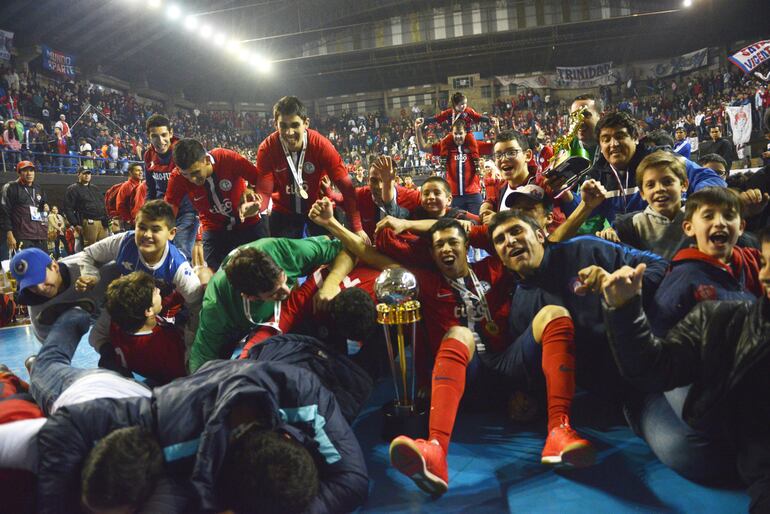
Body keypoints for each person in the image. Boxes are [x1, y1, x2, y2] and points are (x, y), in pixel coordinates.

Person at [311, 199, 596, 495]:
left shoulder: (494, 267)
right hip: (466, 378)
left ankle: (560, 429)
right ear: (432, 254)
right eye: (438, 246)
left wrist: (584, 209)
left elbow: (548, 243)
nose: (446, 249)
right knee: (459, 333)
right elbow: (366, 252)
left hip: (507, 366)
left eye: (452, 242)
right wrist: (331, 224)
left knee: (554, 314)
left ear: (466, 246)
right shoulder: (426, 282)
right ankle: (435, 451)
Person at [36, 332, 369, 513]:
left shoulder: (307, 401)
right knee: (45, 372)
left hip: (316, 368)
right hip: (94, 386)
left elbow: (353, 479)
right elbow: (67, 427)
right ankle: (61, 334)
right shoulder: (173, 416)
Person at [597, 227, 770, 513]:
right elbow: (655, 367)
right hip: (680, 396)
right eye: (764, 264)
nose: (764, 275)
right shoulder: (718, 316)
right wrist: (625, 311)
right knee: (693, 452)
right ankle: (637, 409)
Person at [187, 234, 347, 373]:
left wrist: (331, 283)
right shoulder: (217, 305)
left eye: (284, 280)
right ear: (251, 297)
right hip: (238, 328)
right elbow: (202, 357)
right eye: (275, 293)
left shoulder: (282, 251)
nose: (287, 292)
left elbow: (346, 247)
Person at [566, 111, 727, 224]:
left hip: (665, 241)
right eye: (606, 139)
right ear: (600, 145)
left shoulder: (660, 158)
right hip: (627, 252)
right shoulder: (597, 174)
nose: (613, 144)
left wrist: (694, 208)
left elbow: (708, 177)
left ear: (635, 138)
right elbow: (585, 212)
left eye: (620, 136)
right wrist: (564, 192)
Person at [647, 186, 763, 336]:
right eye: (708, 216)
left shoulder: (756, 261)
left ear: (741, 227)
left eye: (728, 216)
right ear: (689, 228)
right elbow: (660, 334)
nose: (720, 222)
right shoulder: (682, 278)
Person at [254, 96, 365, 242]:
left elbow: (347, 188)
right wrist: (256, 207)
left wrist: (358, 228)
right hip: (283, 213)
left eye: (295, 125)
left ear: (306, 123)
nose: (289, 132)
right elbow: (264, 191)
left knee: (328, 259)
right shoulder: (267, 148)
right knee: (286, 261)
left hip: (319, 209)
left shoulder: (321, 145)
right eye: (283, 126)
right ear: (275, 125)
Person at [166, 138, 269, 271]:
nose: (192, 179)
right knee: (217, 274)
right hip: (214, 228)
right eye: (186, 175)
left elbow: (260, 180)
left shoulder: (227, 158)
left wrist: (251, 192)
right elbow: (169, 207)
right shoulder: (177, 177)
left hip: (248, 221)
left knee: (265, 267)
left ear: (207, 160)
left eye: (196, 173)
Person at [597, 151, 691, 259]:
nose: (659, 189)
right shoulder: (630, 226)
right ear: (642, 193)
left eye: (667, 182)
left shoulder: (699, 218)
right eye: (650, 185)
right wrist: (608, 237)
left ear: (684, 185)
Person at [105, 271, 188, 384]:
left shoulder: (118, 323)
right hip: (177, 377)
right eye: (155, 291)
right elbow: (184, 374)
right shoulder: (163, 345)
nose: (158, 290)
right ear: (148, 311)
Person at [143, 113, 198, 260]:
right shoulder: (148, 156)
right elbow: (150, 188)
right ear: (148, 136)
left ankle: (184, 282)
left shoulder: (183, 150)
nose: (160, 141)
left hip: (187, 211)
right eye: (155, 136)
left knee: (180, 253)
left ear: (171, 133)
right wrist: (146, 211)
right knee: (161, 253)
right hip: (163, 213)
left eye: (164, 135)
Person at [415, 117, 483, 215]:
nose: (458, 136)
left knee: (478, 223)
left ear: (465, 133)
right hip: (454, 196)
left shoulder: (475, 145)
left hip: (473, 194)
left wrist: (496, 128)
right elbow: (423, 147)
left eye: (460, 134)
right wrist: (417, 129)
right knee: (455, 226)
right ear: (452, 134)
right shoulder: (445, 147)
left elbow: (494, 146)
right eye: (455, 134)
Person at [1, 160, 48, 253]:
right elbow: (3, 212)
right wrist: (9, 234)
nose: (29, 173)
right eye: (25, 170)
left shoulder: (39, 188)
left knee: (43, 266)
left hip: (40, 237)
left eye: (31, 170)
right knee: (26, 266)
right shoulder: (10, 187)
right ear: (19, 172)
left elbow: (42, 211)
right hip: (22, 236)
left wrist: (46, 230)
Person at [63, 167, 109, 248]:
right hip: (88, 222)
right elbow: (68, 208)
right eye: (84, 173)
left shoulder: (95, 188)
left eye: (88, 173)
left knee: (104, 248)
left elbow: (103, 204)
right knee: (90, 249)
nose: (87, 175)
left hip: (101, 222)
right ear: (78, 175)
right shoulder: (73, 189)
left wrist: (106, 219)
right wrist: (75, 224)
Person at [424, 91, 490, 130]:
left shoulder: (469, 111)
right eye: (461, 104)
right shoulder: (449, 112)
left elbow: (478, 117)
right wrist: (424, 120)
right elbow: (437, 118)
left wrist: (489, 119)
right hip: (453, 134)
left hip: (467, 134)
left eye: (465, 103)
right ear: (455, 104)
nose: (464, 106)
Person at [115, 162, 144, 227]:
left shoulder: (143, 185)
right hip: (130, 222)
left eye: (141, 170)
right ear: (130, 173)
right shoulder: (126, 186)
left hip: (141, 220)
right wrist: (128, 220)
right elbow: (120, 205)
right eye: (137, 170)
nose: (141, 172)